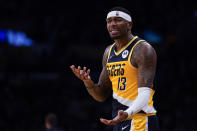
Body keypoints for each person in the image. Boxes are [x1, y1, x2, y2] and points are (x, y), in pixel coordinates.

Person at [70, 6, 159, 131]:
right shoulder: (108, 52)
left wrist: (128, 113)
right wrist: (88, 82)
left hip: (140, 119)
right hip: (118, 120)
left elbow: (145, 94)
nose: (113, 24)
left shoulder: (142, 49)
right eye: (109, 21)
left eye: (118, 20)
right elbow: (100, 95)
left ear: (129, 24)